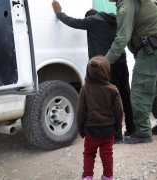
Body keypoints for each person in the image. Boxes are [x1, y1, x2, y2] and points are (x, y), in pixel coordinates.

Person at [52, 0, 136, 142]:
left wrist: (59, 13)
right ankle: (132, 129)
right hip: (122, 62)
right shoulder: (113, 18)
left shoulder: (93, 21)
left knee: (111, 99)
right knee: (125, 96)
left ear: (90, 17)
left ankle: (116, 135)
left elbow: (73, 22)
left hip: (107, 65)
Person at [105, 0, 157, 144]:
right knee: (155, 88)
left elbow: (122, 37)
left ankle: (143, 132)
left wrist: (105, 61)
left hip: (150, 50)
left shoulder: (126, 4)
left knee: (139, 91)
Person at [76, 56, 123, 180]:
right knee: (107, 154)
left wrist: (81, 129)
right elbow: (119, 112)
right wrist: (118, 128)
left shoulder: (85, 89)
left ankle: (87, 177)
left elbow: (80, 112)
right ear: (107, 70)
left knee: (89, 154)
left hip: (91, 131)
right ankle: (108, 176)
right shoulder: (113, 90)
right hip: (108, 130)